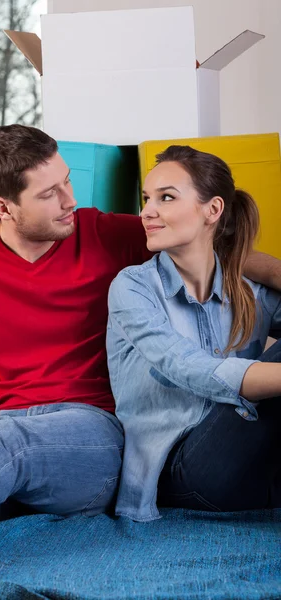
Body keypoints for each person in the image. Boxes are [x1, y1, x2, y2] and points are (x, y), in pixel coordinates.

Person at [0, 128, 280, 566]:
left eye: (67, 180)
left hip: (92, 434)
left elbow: (209, 244)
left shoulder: (105, 233)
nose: (70, 199)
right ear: (4, 208)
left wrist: (277, 275)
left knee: (13, 444)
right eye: (50, 193)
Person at [107, 145, 281, 523]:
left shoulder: (250, 290)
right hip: (181, 472)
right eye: (146, 199)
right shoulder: (133, 288)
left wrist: (273, 271)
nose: (146, 212)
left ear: (213, 210)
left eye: (166, 198)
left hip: (250, 466)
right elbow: (187, 367)